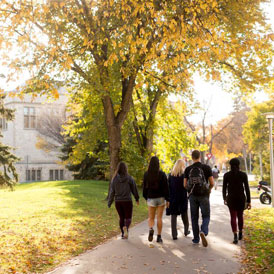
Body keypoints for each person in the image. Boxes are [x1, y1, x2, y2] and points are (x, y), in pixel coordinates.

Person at [184, 150, 214, 247]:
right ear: (200, 156)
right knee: (206, 215)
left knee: (194, 217)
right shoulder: (206, 168)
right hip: (204, 195)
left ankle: (196, 239)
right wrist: (208, 189)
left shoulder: (188, 169)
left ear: (192, 157)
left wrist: (190, 190)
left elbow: (184, 184)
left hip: (193, 196)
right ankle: (203, 231)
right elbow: (212, 183)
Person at [222, 158, 251, 244]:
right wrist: (249, 201)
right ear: (239, 165)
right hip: (241, 198)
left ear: (230, 165)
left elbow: (224, 188)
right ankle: (241, 233)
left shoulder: (226, 175)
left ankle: (235, 235)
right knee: (240, 216)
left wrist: (224, 198)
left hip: (231, 198)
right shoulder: (243, 175)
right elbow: (247, 188)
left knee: (233, 217)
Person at [108, 162, 139, 239]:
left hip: (118, 202)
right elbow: (134, 189)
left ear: (117, 169)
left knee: (121, 218)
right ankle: (126, 228)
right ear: (125, 169)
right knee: (128, 217)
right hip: (127, 201)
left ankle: (123, 234)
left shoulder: (114, 179)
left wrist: (110, 202)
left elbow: (112, 192)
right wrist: (137, 198)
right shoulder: (129, 178)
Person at [143, 156, 169, 243]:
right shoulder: (162, 174)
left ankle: (151, 229)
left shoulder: (146, 174)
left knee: (151, 218)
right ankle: (159, 236)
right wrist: (167, 199)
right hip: (161, 198)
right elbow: (166, 188)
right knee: (159, 218)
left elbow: (144, 188)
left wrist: (145, 197)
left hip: (151, 198)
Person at [168, 159, 190, 240]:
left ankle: (174, 235)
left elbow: (168, 188)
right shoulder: (184, 175)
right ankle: (186, 230)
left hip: (173, 198)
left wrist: (168, 198)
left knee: (173, 216)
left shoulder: (170, 175)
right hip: (182, 198)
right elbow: (186, 186)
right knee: (184, 215)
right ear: (182, 166)